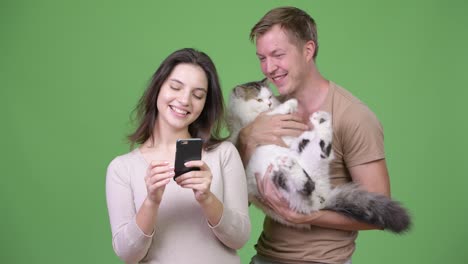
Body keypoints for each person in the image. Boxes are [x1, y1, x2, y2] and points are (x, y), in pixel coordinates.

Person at [237, 7, 391, 264]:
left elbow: (381, 214)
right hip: (263, 258)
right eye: (261, 58)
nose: (268, 68)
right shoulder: (266, 111)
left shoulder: (352, 116)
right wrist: (247, 138)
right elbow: (237, 197)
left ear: (308, 50)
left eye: (277, 55)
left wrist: (307, 216)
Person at [106, 48, 251, 264]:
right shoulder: (122, 168)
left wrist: (207, 199)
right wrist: (151, 201)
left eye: (198, 95)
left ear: (205, 103)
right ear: (158, 88)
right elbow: (128, 254)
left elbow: (239, 239)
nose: (185, 100)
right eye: (175, 87)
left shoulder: (223, 154)